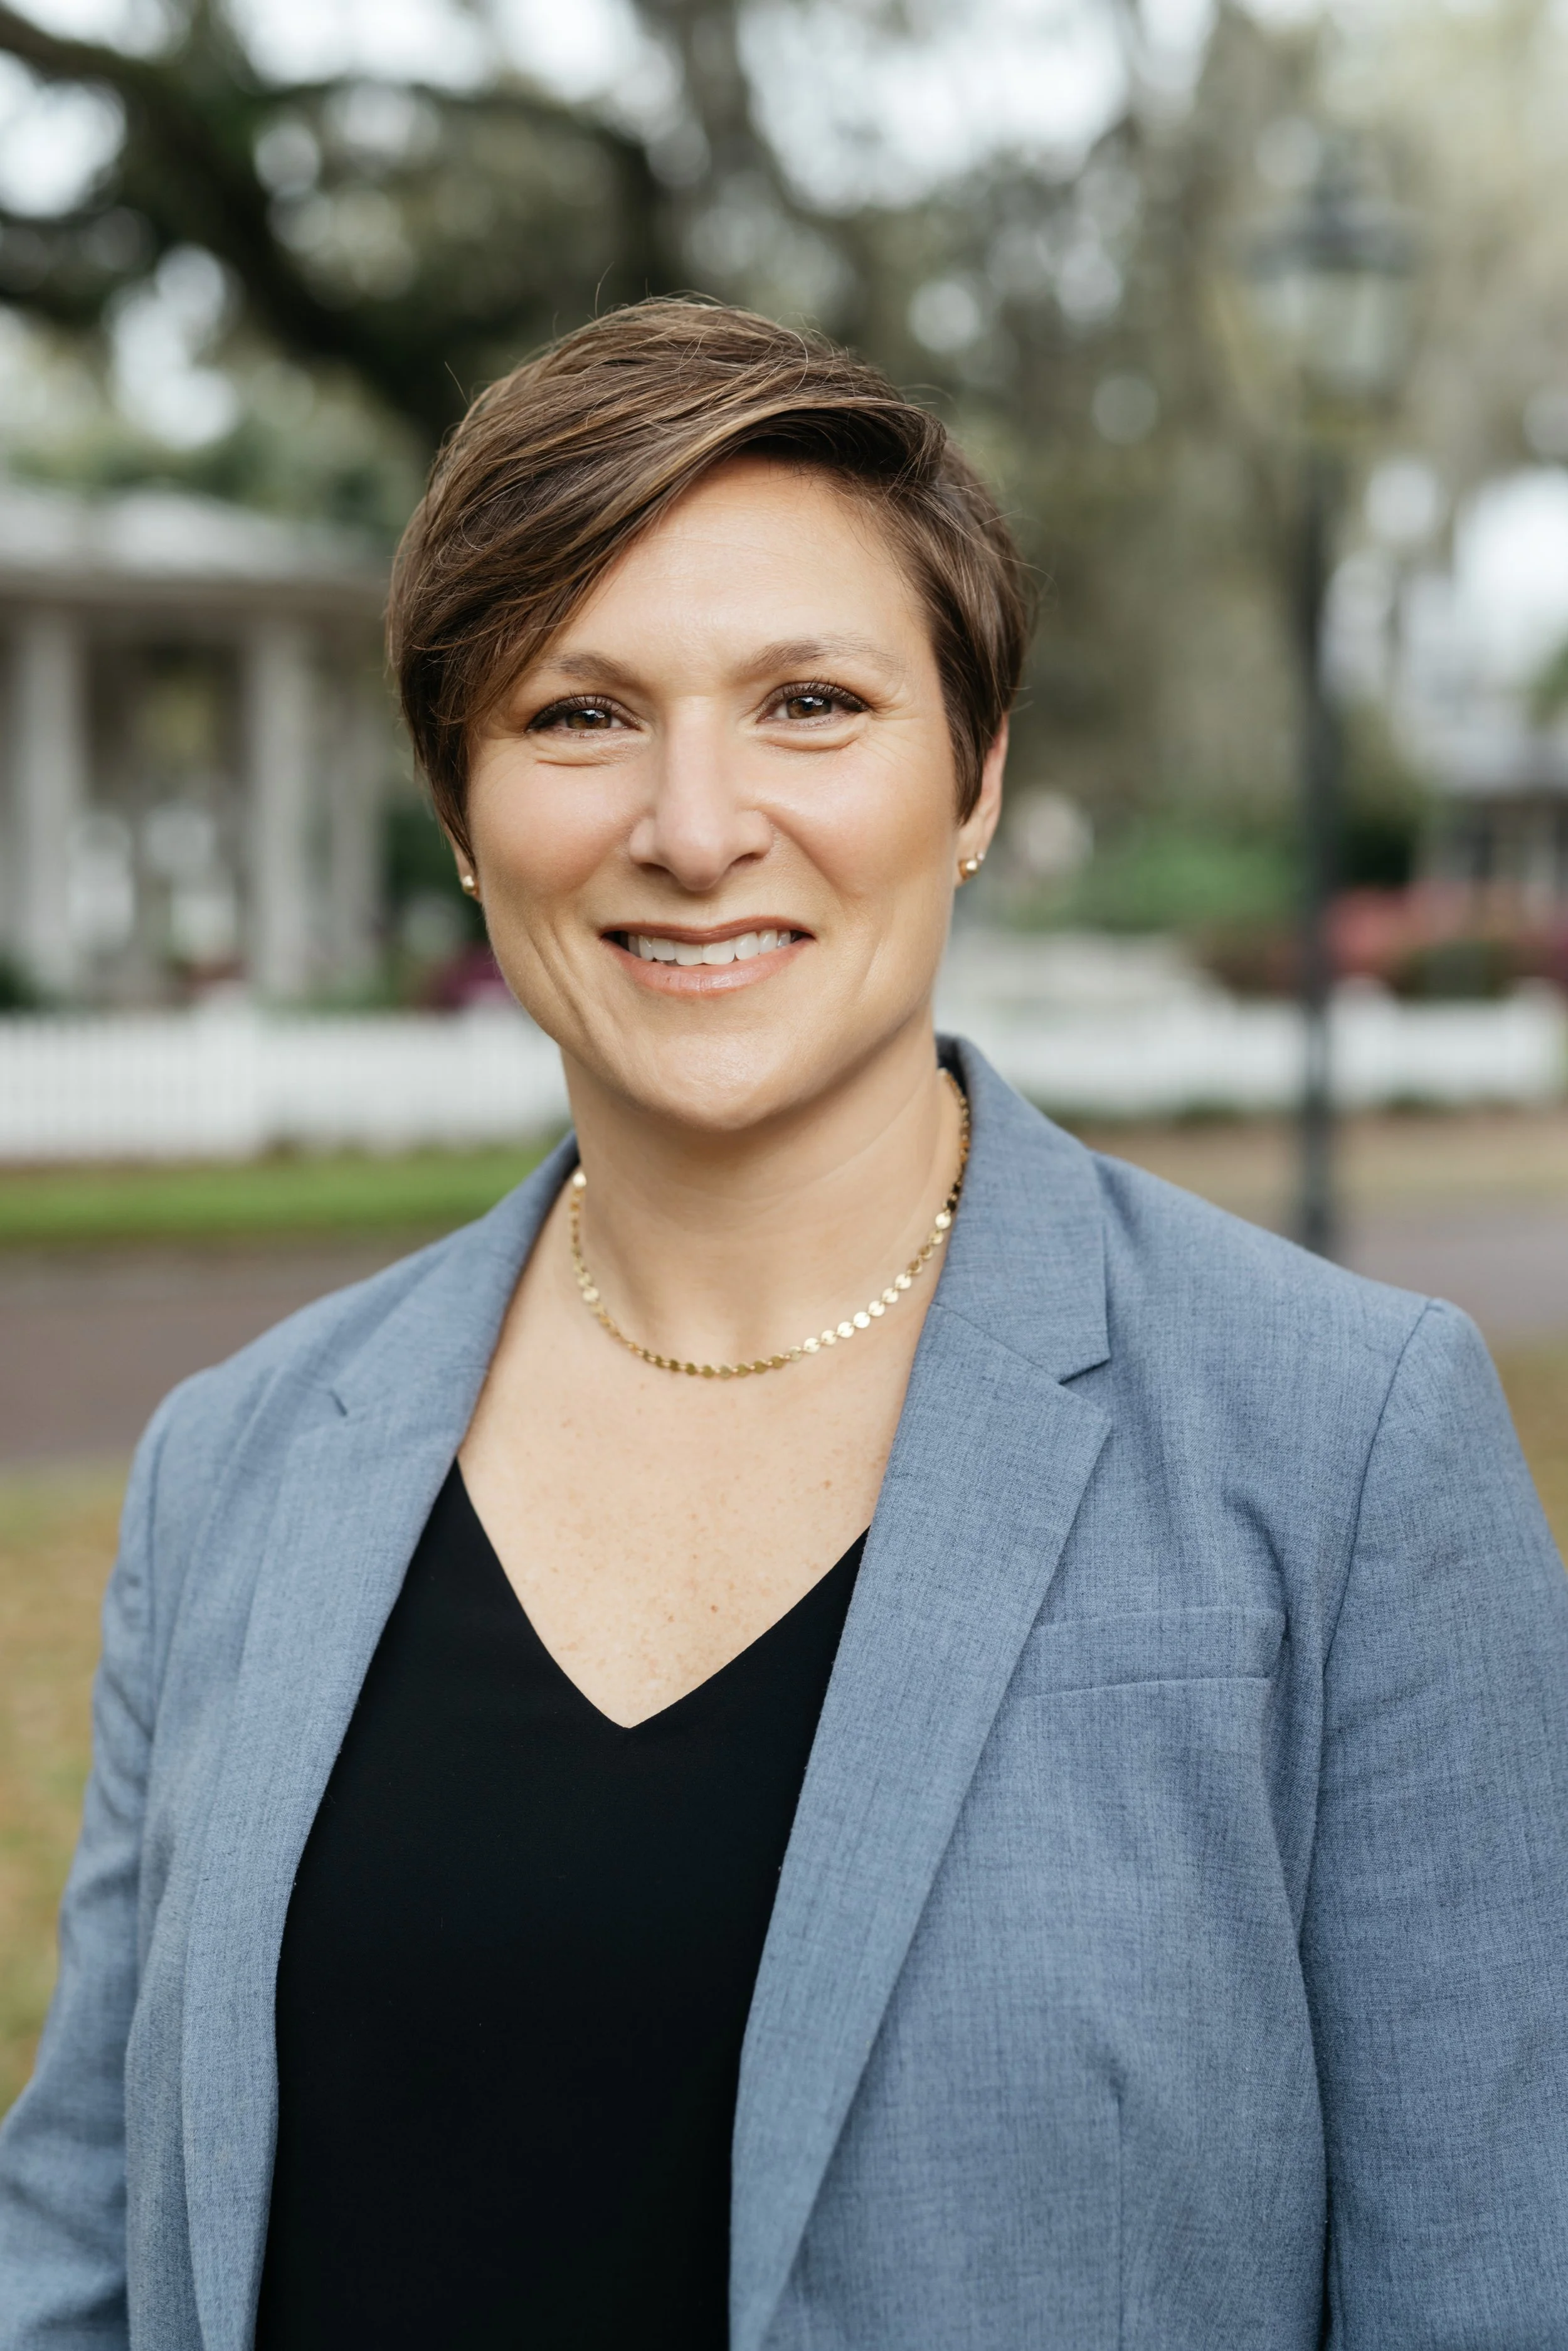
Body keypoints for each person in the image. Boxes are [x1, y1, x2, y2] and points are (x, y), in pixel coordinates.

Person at [3, 299, 1567, 2351]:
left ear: (978, 773)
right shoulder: (238, 1464)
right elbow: (89, 2253)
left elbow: (1490, 2285)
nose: (695, 821)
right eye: (578, 714)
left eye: (811, 701)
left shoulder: (1339, 1448)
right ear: (462, 810)